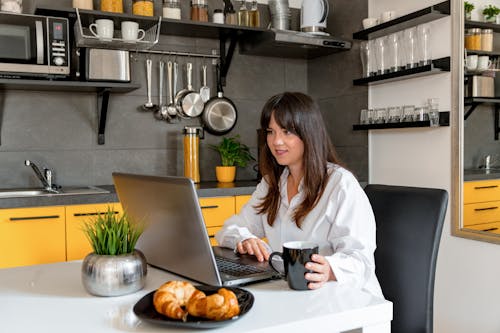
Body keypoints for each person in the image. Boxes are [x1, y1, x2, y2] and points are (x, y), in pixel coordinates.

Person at [215, 92, 382, 297]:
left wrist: (329, 269)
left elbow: (361, 260)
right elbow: (228, 229)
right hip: (295, 296)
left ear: (308, 133)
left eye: (287, 132)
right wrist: (244, 239)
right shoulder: (271, 184)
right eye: (270, 131)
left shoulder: (341, 184)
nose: (276, 141)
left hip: (347, 300)